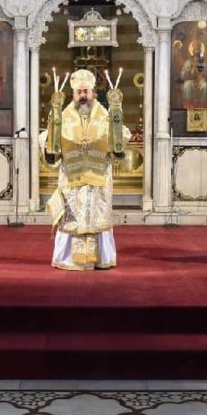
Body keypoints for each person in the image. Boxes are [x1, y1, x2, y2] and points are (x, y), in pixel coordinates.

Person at [42, 69, 128, 271]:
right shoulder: (61, 116)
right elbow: (49, 141)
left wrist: (116, 134)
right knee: (73, 219)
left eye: (86, 92)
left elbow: (120, 137)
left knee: (97, 217)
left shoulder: (105, 114)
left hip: (98, 179)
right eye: (79, 92)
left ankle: (100, 258)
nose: (82, 96)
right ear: (73, 94)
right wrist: (50, 142)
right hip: (73, 179)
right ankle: (68, 259)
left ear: (93, 93)